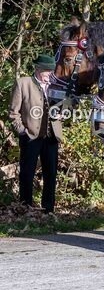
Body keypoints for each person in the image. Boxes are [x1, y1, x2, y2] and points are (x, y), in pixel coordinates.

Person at [8, 54, 64, 213]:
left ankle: (48, 210)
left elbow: (66, 106)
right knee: (27, 173)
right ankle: (25, 207)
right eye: (48, 71)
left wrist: (63, 113)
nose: (50, 74)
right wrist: (22, 132)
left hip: (51, 136)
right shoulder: (23, 83)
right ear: (38, 69)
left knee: (50, 174)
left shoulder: (56, 86)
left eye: (52, 71)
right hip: (30, 137)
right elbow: (13, 113)